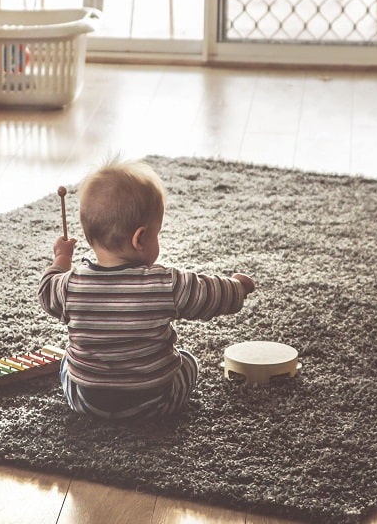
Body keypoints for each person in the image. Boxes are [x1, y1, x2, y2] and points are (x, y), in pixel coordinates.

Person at [39, 159, 256, 421]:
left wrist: (61, 258)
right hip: (154, 402)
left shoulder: (70, 285)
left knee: (66, 362)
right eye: (157, 234)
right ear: (139, 239)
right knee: (188, 362)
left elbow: (47, 290)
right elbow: (208, 293)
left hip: (86, 401)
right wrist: (238, 288)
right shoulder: (165, 283)